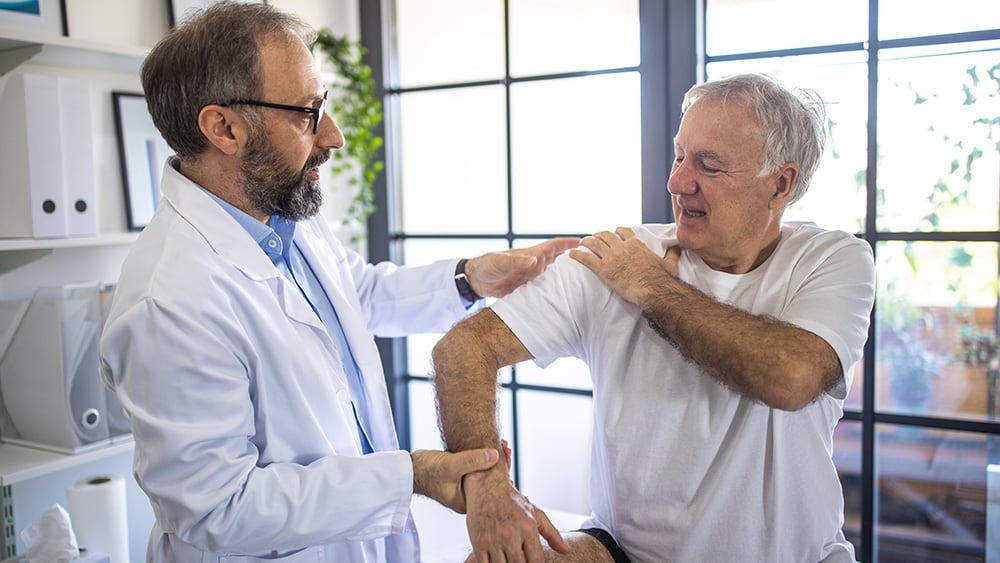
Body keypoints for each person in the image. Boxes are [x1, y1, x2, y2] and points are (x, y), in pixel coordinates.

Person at [97, 2, 577, 562]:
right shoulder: (168, 301)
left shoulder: (281, 216)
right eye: (306, 112)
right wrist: (411, 476)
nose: (335, 135)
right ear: (223, 127)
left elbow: (359, 296)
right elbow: (218, 509)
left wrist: (471, 279)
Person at [432, 73, 876, 563]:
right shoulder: (616, 256)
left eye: (709, 165)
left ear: (780, 184)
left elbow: (788, 378)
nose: (677, 182)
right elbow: (463, 349)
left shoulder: (832, 260)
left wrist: (651, 288)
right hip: (623, 552)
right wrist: (487, 487)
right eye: (679, 155)